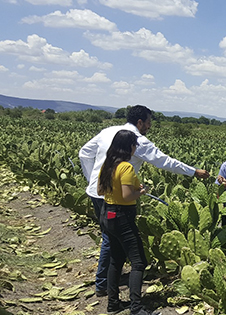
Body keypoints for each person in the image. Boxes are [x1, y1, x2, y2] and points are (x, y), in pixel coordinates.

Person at [79, 105, 210, 297]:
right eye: (148, 123)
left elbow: (84, 153)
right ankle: (103, 284)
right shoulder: (137, 141)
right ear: (140, 122)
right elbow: (164, 161)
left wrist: (93, 179)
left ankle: (107, 281)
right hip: (118, 198)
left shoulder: (107, 131)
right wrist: (193, 171)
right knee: (111, 239)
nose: (149, 127)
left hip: (97, 191)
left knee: (110, 236)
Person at [97, 130, 161, 315]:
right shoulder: (126, 168)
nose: (135, 148)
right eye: (134, 144)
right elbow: (126, 196)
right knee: (139, 261)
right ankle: (136, 309)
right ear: (128, 147)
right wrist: (141, 192)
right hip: (122, 216)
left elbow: (100, 190)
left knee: (116, 259)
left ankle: (113, 303)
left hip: (107, 214)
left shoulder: (108, 165)